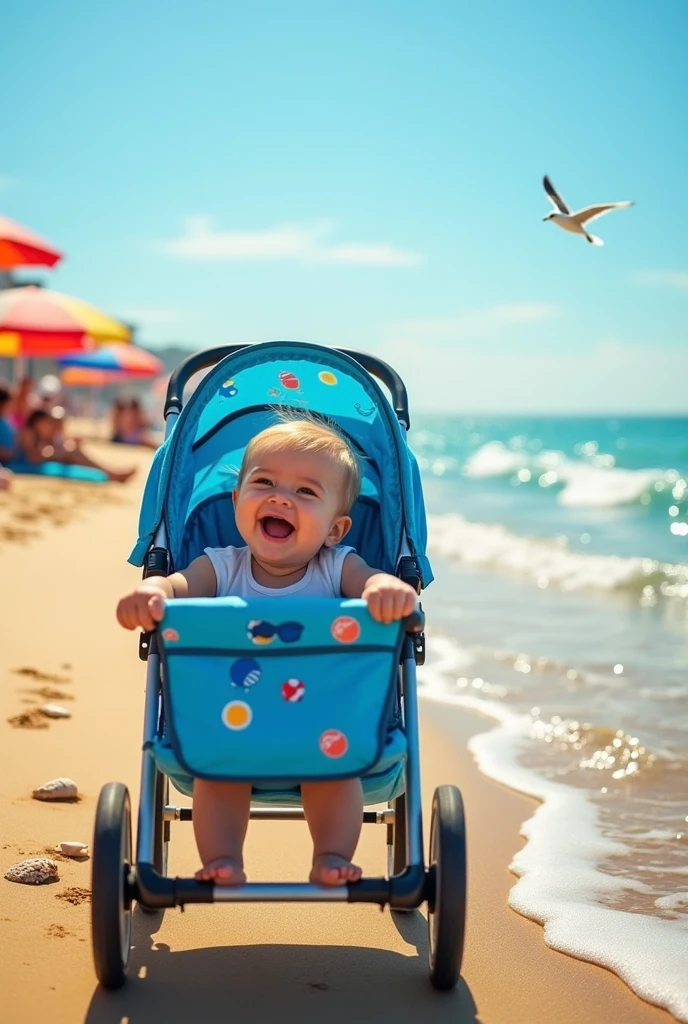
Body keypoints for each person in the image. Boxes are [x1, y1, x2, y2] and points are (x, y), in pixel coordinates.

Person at [116, 416, 418, 887]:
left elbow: (375, 583)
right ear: (236, 501)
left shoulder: (339, 567)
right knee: (220, 773)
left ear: (336, 529)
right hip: (232, 726)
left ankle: (331, 856)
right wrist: (154, 590)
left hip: (326, 729)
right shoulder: (219, 566)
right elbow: (177, 585)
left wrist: (386, 590)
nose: (280, 498)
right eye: (264, 483)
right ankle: (224, 861)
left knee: (333, 772)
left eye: (306, 492)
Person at [17, 409, 136, 483]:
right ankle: (111, 473)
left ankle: (110, 472)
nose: (48, 426)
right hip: (33, 463)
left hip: (44, 458)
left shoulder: (37, 433)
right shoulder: (28, 433)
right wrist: (51, 453)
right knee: (73, 452)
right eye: (46, 423)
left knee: (73, 451)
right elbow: (32, 458)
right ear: (37, 422)